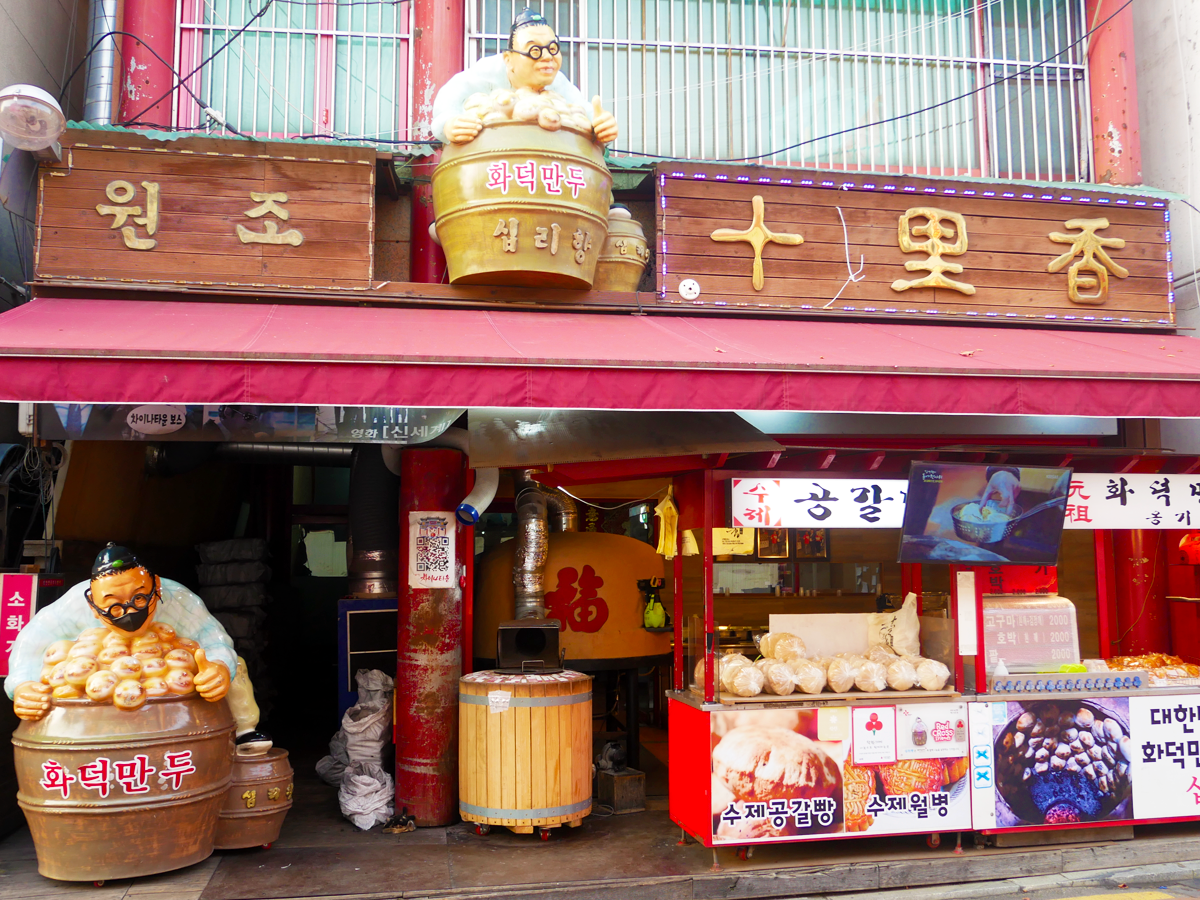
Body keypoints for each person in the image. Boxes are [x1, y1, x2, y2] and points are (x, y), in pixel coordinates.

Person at [5, 543, 271, 754]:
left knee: (234, 665)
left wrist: (218, 669)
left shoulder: (178, 598)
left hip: (167, 676)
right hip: (100, 683)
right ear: (92, 604)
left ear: (156, 585)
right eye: (114, 605)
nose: (130, 611)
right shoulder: (72, 605)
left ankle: (243, 731)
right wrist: (22, 686)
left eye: (140, 598)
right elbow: (30, 643)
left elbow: (214, 639)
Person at [431, 7, 618, 145]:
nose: (547, 57)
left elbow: (589, 115)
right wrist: (450, 124)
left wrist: (603, 127)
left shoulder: (558, 83)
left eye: (553, 49)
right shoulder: (486, 73)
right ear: (509, 58)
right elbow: (445, 106)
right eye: (535, 50)